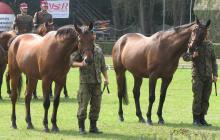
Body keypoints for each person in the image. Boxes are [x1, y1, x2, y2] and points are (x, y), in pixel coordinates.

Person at [71, 31, 109, 134]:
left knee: (96, 106)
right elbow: (71, 62)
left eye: (94, 34)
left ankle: (93, 127)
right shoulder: (81, 48)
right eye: (92, 35)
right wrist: (81, 64)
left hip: (97, 82)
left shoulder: (99, 50)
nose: (94, 36)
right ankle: (81, 128)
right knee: (83, 105)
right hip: (85, 82)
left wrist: (106, 78)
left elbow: (103, 66)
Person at [183, 29, 218, 126]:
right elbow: (185, 57)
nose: (205, 35)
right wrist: (193, 56)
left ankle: (202, 119)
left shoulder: (210, 45)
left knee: (205, 98)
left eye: (206, 33)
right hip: (197, 75)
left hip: (208, 76)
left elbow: (214, 61)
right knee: (197, 98)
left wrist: (215, 75)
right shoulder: (193, 44)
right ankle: (196, 119)